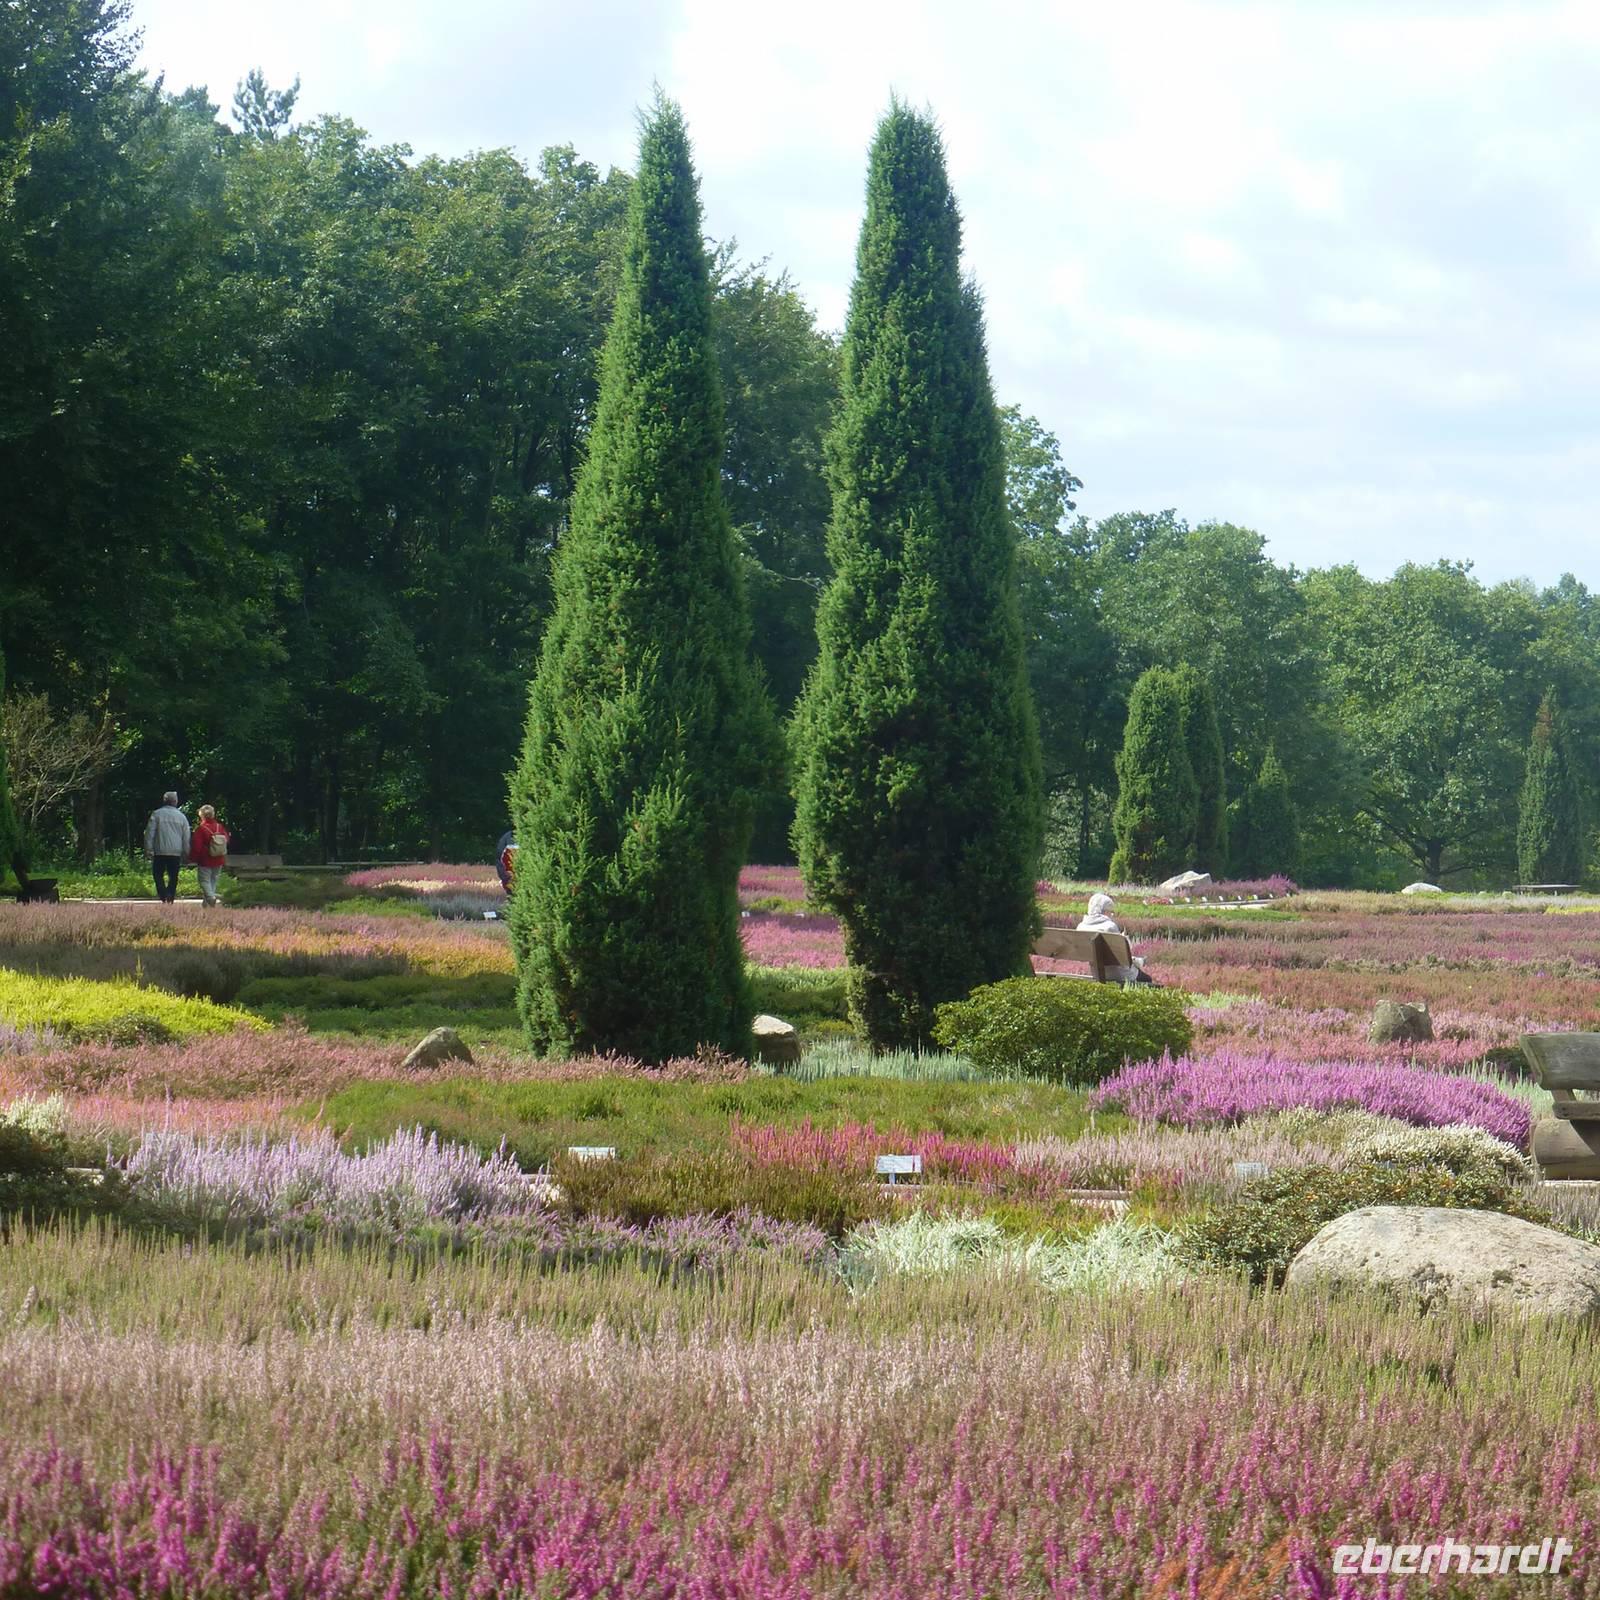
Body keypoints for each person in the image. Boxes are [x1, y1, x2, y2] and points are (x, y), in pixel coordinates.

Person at [1076, 892, 1157, 985]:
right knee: (1147, 979)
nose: (1111, 914)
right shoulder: (1109, 926)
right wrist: (1124, 939)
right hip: (1120, 974)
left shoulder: (1081, 926)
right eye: (1110, 911)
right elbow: (1122, 955)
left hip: (1096, 973)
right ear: (1104, 911)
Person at [144, 791, 191, 904]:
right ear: (175, 802)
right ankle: (170, 895)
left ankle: (163, 894)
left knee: (158, 874)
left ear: (164, 801)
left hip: (160, 850)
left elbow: (150, 833)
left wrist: (148, 849)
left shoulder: (157, 814)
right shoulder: (181, 817)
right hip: (176, 851)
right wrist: (186, 852)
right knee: (173, 875)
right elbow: (186, 837)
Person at [189, 804, 231, 908]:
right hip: (219, 858)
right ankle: (206, 905)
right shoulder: (219, 827)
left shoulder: (201, 829)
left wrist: (192, 858)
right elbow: (226, 839)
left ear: (202, 815)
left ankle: (210, 898)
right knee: (213, 881)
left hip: (205, 859)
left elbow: (197, 846)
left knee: (204, 881)